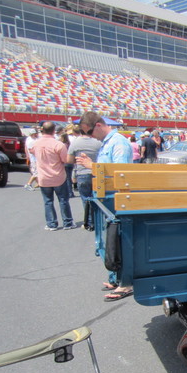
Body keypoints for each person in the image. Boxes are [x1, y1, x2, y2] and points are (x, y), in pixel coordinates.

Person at [76, 111, 134, 302]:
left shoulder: (119, 142)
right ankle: (117, 279)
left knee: (118, 242)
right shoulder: (107, 143)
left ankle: (126, 283)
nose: (90, 135)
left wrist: (91, 165)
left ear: (99, 125)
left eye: (90, 131)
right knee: (108, 244)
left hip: (115, 199)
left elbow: (121, 173)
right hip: (105, 200)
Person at [31, 121, 76, 231]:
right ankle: (67, 222)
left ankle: (51, 223)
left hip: (43, 177)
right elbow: (65, 160)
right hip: (58, 176)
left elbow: (31, 153)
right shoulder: (58, 144)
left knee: (48, 201)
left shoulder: (36, 143)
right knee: (63, 200)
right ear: (53, 130)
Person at [67, 130, 102, 231]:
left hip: (82, 173)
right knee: (97, 198)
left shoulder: (76, 142)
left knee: (85, 199)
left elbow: (69, 160)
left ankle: (90, 222)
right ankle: (98, 221)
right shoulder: (98, 143)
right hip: (96, 172)